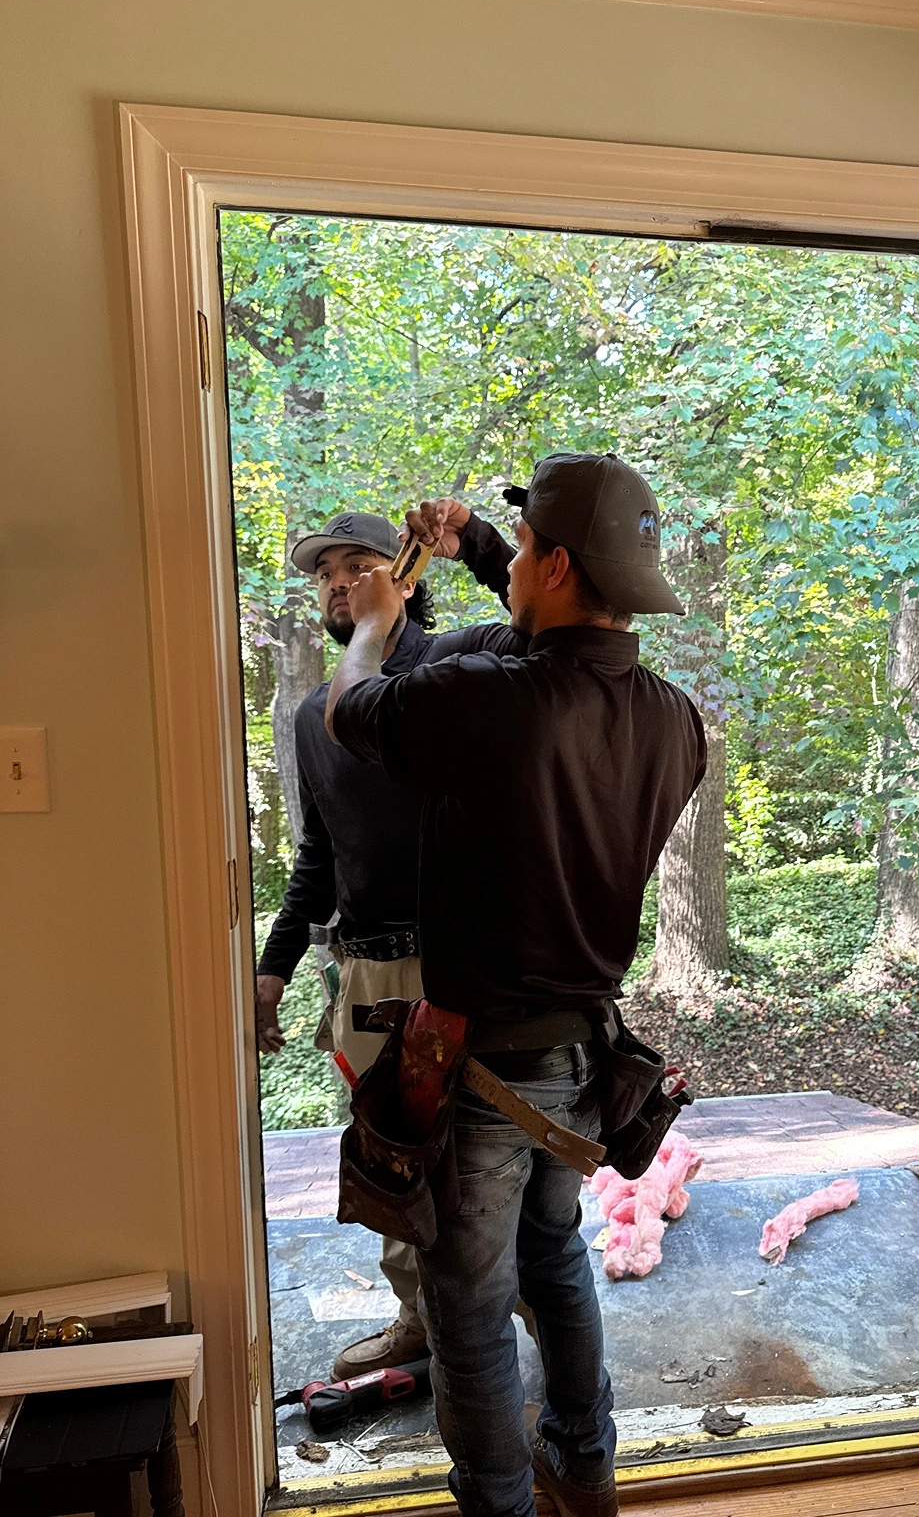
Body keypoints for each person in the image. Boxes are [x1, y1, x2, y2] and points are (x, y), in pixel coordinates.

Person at [325, 452, 705, 1517]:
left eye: (527, 544)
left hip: (485, 1067)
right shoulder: (674, 721)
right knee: (553, 1255)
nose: (516, 560)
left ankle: (499, 1503)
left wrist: (375, 616)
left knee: (470, 1307)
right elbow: (547, 639)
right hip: (585, 1060)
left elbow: (352, 711)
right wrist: (486, 547)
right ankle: (584, 1466)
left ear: (562, 561)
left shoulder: (493, 699)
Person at [255, 502, 526, 1380]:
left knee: (480, 1156)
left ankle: (514, 1319)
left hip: (462, 961)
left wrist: (479, 543)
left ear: (403, 576)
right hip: (366, 970)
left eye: (355, 567)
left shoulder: (460, 666)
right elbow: (320, 852)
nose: (336, 584)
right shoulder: (313, 714)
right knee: (389, 1162)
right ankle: (420, 1321)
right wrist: (274, 968)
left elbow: (546, 633)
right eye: (324, 576)